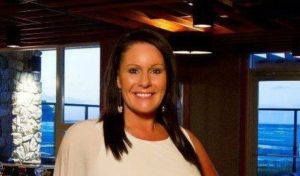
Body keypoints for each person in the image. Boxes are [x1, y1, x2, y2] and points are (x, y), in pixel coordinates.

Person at [53, 29, 218, 176]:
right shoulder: (82, 136)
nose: (145, 81)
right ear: (118, 79)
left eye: (156, 71)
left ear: (167, 79)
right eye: (133, 70)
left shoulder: (187, 140)